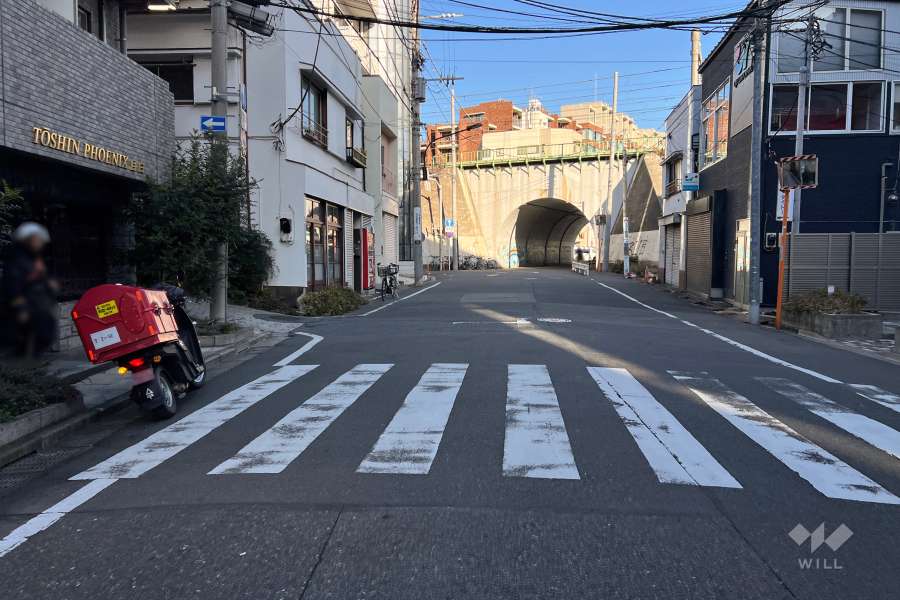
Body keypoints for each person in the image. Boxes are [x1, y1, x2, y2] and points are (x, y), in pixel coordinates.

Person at [1, 223, 58, 359]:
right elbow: (13, 285)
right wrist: (21, 308)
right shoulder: (18, 260)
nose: (40, 243)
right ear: (27, 240)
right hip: (23, 309)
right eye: (37, 239)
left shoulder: (34, 259)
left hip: (37, 307)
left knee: (41, 337)